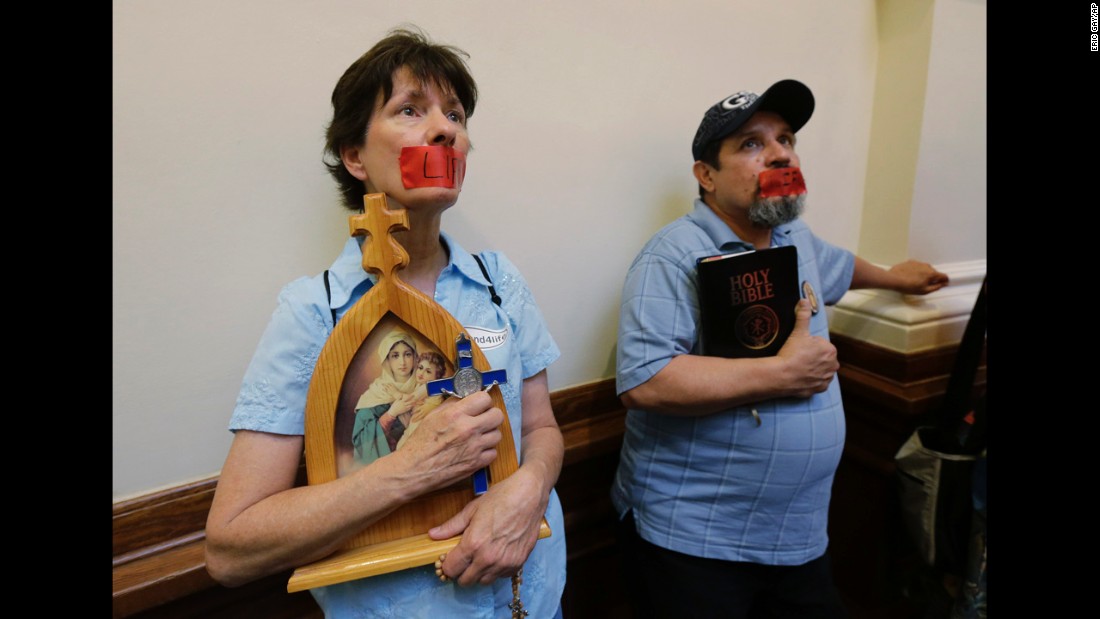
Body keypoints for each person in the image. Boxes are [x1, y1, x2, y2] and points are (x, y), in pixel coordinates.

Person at [204, 27, 567, 618]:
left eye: (455, 115)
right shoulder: (313, 312)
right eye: (410, 110)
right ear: (354, 157)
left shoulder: (501, 283)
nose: (447, 129)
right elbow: (229, 550)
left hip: (534, 599)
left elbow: (543, 428)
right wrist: (407, 471)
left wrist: (527, 491)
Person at [611, 79, 949, 618]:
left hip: (797, 537)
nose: (779, 153)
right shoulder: (672, 256)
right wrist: (783, 374)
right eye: (751, 144)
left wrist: (894, 279)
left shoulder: (795, 237)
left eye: (786, 139)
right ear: (706, 175)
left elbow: (840, 265)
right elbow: (645, 380)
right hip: (699, 543)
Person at [350, 329, 421, 467]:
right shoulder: (375, 394)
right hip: (386, 470)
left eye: (407, 354)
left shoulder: (423, 387)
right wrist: (391, 414)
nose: (402, 362)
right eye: (395, 355)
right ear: (386, 359)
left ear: (415, 357)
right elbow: (361, 442)